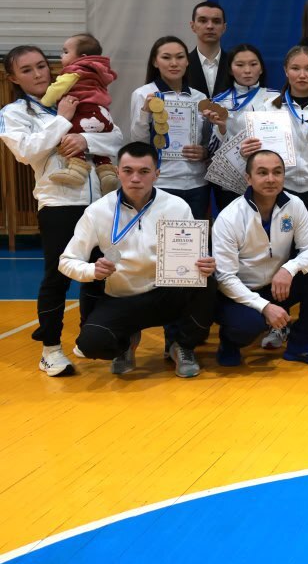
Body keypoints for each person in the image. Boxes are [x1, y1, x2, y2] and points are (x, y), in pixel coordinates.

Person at [2, 46, 123, 377]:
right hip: (58, 204)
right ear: (13, 78)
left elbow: (116, 137)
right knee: (57, 278)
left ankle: (90, 338)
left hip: (99, 203)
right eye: (27, 70)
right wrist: (62, 120)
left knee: (99, 273)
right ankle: (51, 349)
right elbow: (26, 152)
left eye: (41, 66)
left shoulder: (78, 94)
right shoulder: (15, 112)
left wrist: (86, 141)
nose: (38, 74)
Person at [58, 142, 215, 377]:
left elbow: (193, 256)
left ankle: (182, 345)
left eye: (144, 171)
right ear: (117, 171)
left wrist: (203, 264)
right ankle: (124, 344)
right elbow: (66, 260)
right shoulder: (97, 211)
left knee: (208, 282)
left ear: (156, 174)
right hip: (120, 297)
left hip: (164, 294)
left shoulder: (176, 206)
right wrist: (92, 271)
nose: (135, 178)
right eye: (128, 170)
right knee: (92, 344)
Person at [245, 47, 308, 306]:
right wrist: (247, 151)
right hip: (283, 190)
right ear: (285, 71)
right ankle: (279, 315)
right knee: (281, 254)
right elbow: (258, 153)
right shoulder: (269, 108)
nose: (302, 75)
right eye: (295, 68)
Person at [211, 149, 308, 366]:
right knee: (248, 326)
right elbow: (225, 279)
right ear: (248, 178)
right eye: (262, 173)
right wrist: (264, 306)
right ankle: (229, 342)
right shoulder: (230, 217)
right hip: (240, 293)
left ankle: (301, 345)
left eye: (277, 172)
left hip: (277, 287)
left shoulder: (294, 204)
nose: (270, 179)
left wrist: (289, 269)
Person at [129, 36, 210, 218]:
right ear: (155, 62)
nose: (174, 63)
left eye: (180, 57)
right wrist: (145, 112)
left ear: (187, 61)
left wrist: (204, 152)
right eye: (166, 57)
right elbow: (138, 143)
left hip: (197, 184)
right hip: (161, 182)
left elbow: (207, 140)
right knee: (158, 235)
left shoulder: (199, 97)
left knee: (192, 235)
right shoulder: (143, 94)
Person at [204, 44, 279, 213]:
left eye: (253, 64)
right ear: (230, 70)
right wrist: (221, 128)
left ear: (261, 69)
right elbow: (211, 150)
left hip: (268, 176)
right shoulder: (218, 102)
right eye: (240, 65)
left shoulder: (276, 98)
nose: (247, 70)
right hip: (231, 181)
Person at [39, 33, 118, 190]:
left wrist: (45, 101)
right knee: (97, 139)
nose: (61, 56)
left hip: (84, 114)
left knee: (67, 133)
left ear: (82, 57)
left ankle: (76, 170)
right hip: (103, 115)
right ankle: (107, 173)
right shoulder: (99, 72)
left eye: (65, 52)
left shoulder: (74, 71)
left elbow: (56, 90)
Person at [186, 1, 232, 98]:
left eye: (216, 21)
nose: (210, 26)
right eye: (203, 21)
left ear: (224, 28)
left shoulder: (235, 64)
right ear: (192, 26)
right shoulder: (182, 64)